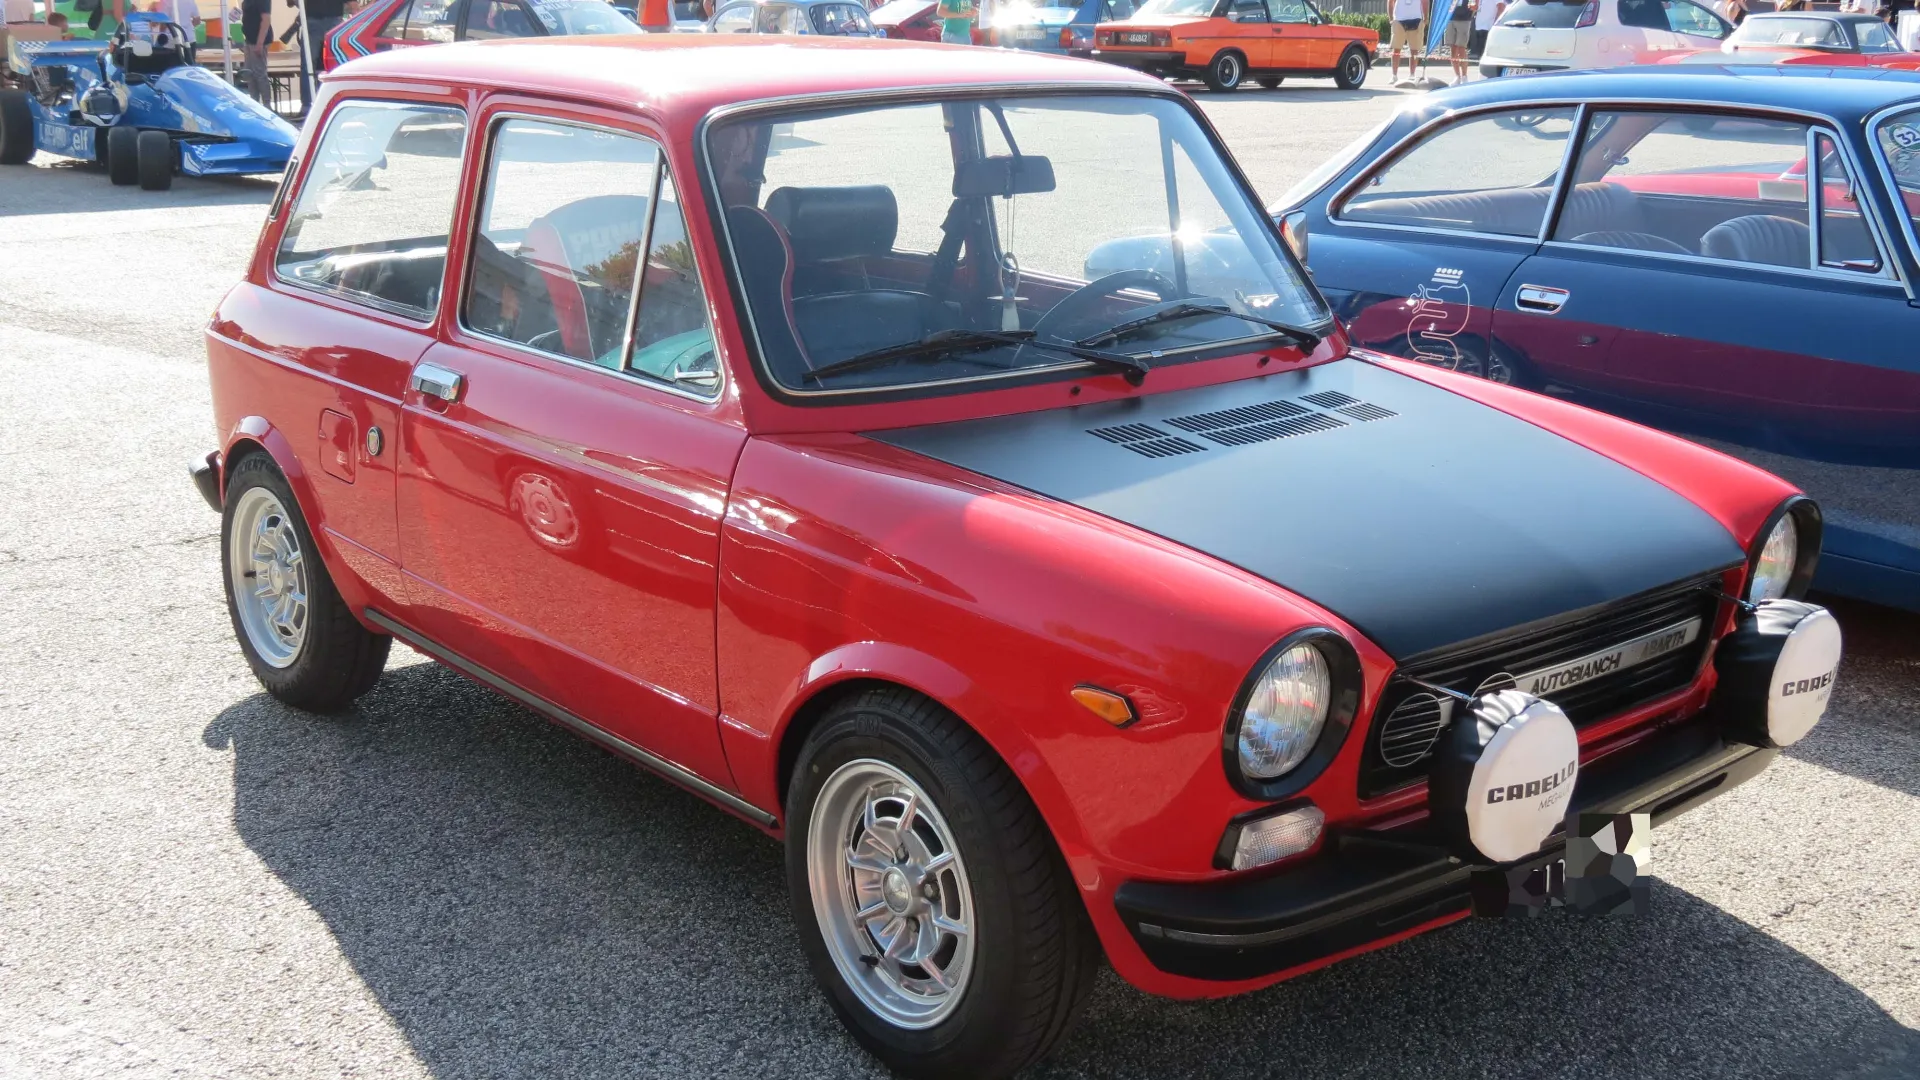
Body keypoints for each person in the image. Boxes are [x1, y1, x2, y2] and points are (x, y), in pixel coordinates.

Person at [288, 0, 345, 115]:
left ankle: (306, 106)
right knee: (335, 64)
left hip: (312, 18)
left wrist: (304, 6)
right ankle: (335, 101)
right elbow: (353, 6)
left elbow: (291, 2)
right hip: (333, 19)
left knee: (308, 65)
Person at [1389, 0, 1426, 82]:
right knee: (1396, 49)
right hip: (1399, 19)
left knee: (1414, 49)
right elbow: (1390, 1)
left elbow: (1425, 1)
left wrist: (1425, 18)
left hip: (1416, 19)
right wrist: (1391, 18)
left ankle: (1412, 75)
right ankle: (1394, 75)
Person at [242, 0, 271, 105]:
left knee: (259, 73)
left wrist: (260, 43)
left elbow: (266, 19)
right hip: (249, 40)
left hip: (258, 40)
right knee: (250, 74)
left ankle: (267, 105)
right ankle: (254, 103)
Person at [1444, 0, 1472, 82]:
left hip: (1464, 19)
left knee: (1461, 48)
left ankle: (1464, 76)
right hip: (1450, 18)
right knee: (1453, 48)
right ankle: (1457, 76)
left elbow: (1474, 4)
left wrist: (1472, 9)